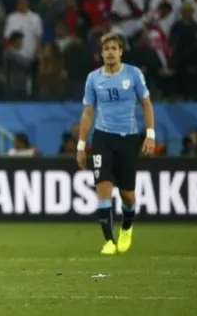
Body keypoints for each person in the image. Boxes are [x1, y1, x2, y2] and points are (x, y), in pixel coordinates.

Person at [76, 32, 156, 255]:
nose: (110, 52)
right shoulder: (93, 78)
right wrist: (81, 145)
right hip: (102, 137)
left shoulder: (133, 74)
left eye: (114, 48)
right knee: (103, 187)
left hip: (128, 138)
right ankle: (109, 241)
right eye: (106, 49)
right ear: (101, 53)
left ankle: (127, 227)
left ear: (120, 51)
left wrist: (150, 135)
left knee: (127, 195)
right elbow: (87, 112)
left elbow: (147, 104)